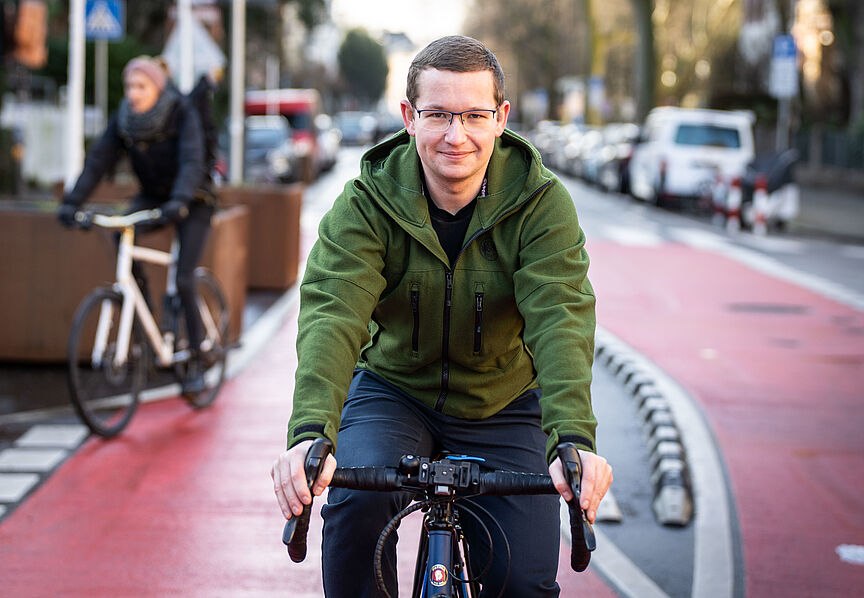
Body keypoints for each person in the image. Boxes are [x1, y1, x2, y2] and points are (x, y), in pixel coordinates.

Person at [271, 36, 612, 597]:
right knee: (355, 510)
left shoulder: (541, 203)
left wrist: (572, 438)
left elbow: (561, 316)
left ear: (501, 118)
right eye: (437, 115)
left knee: (522, 582)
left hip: (504, 400)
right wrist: (310, 433)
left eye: (475, 115)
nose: (457, 135)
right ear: (408, 117)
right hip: (393, 391)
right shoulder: (365, 203)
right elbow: (334, 312)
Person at [58, 55, 215, 395]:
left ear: (157, 88)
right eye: (129, 85)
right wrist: (72, 203)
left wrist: (180, 200)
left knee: (185, 277)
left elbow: (192, 160)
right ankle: (144, 308)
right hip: (154, 196)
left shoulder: (180, 112)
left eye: (140, 86)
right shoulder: (125, 120)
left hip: (194, 198)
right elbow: (98, 160)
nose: (133, 92)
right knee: (121, 236)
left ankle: (199, 360)